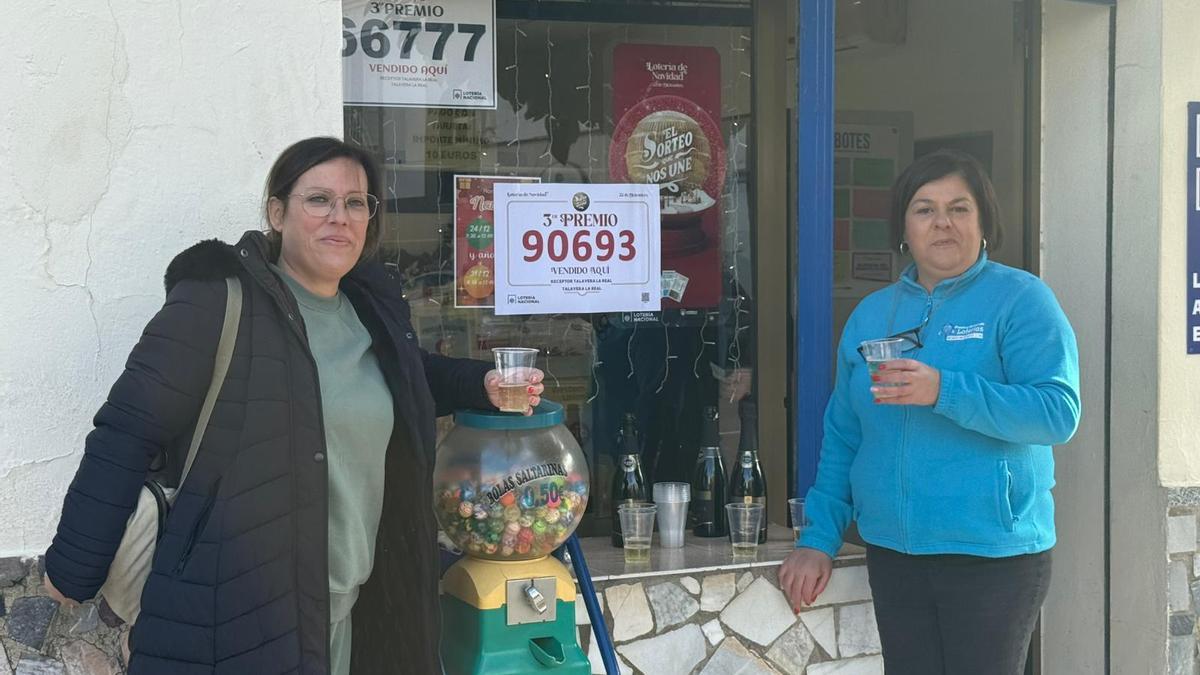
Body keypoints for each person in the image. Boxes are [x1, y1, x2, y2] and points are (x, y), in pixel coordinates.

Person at [41, 136, 545, 674]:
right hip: (238, 618)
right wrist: (74, 565)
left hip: (353, 609)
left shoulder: (367, 310)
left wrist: (482, 383)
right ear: (277, 213)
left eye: (356, 203)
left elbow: (406, 375)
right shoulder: (218, 302)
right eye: (319, 200)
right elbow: (126, 429)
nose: (340, 217)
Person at [779, 150, 1080, 675]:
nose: (942, 222)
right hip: (896, 554)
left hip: (992, 556)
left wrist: (945, 390)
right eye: (924, 209)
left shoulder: (1021, 300)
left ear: (984, 221)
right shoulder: (872, 315)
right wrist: (818, 538)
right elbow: (844, 437)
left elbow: (1056, 412)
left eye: (959, 208)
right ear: (904, 228)